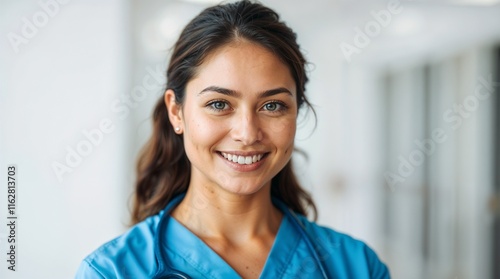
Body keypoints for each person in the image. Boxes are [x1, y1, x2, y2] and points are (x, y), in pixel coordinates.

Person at [75, 1, 390, 278]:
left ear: (296, 112)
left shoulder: (357, 266)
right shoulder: (111, 272)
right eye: (219, 104)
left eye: (272, 105)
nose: (248, 133)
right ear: (177, 112)